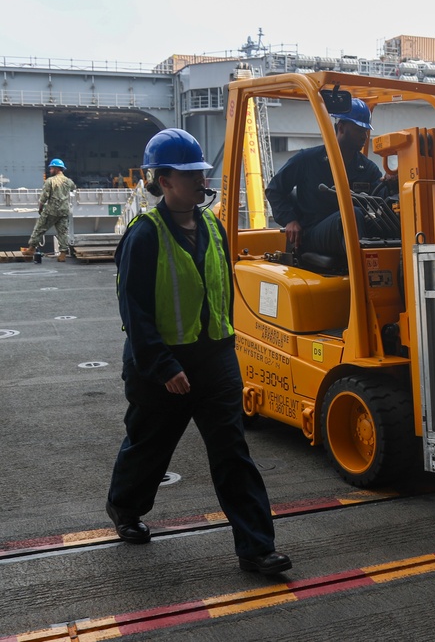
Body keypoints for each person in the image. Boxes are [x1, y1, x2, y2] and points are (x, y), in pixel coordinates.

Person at [106, 128, 291, 575]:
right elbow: (134, 309)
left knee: (232, 453)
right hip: (162, 367)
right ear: (164, 180)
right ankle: (125, 509)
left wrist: (226, 347)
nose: (200, 182)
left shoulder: (212, 225)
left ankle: (256, 548)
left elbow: (219, 292)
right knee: (149, 446)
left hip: (213, 361)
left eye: (201, 173)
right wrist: (163, 364)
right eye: (190, 175)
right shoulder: (144, 235)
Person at [265, 97, 382, 260]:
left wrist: (393, 183)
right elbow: (274, 189)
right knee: (351, 215)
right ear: (341, 128)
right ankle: (363, 273)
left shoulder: (368, 169)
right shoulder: (307, 160)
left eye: (365, 130)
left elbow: (380, 199)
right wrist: (290, 220)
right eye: (359, 130)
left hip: (350, 233)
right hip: (313, 233)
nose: (364, 136)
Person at [20, 159, 77, 262]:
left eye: (51, 168)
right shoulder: (68, 181)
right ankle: (63, 254)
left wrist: (40, 208)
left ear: (56, 168)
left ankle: (31, 248)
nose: (50, 170)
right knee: (62, 232)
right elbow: (73, 187)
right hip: (64, 210)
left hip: (51, 210)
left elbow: (44, 197)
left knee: (39, 229)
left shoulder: (50, 181)